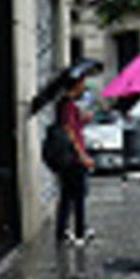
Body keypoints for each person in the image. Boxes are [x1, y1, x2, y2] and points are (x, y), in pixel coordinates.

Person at [55, 77, 95, 245]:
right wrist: (82, 155)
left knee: (68, 195)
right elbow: (69, 131)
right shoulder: (67, 105)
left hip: (72, 157)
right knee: (77, 195)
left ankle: (64, 231)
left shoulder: (68, 105)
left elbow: (73, 127)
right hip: (73, 159)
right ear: (76, 84)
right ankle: (79, 231)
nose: (84, 86)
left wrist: (83, 119)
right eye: (82, 83)